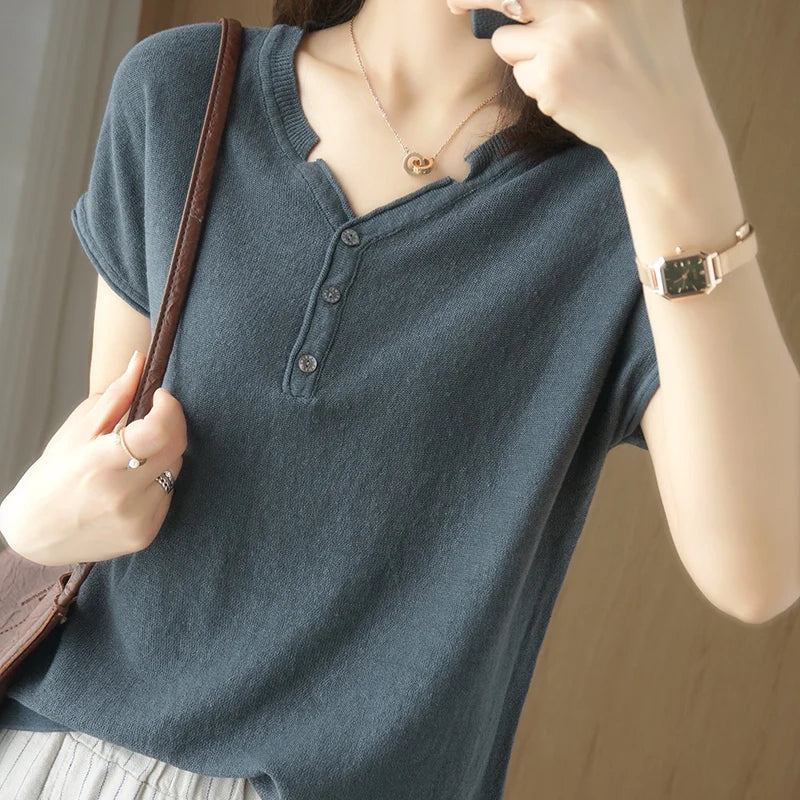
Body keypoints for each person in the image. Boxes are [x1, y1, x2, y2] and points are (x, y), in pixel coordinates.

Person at [0, 0, 659, 798]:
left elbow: (762, 567)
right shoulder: (184, 88)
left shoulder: (630, 208)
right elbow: (105, 483)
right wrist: (23, 528)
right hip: (69, 762)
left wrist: (678, 140)